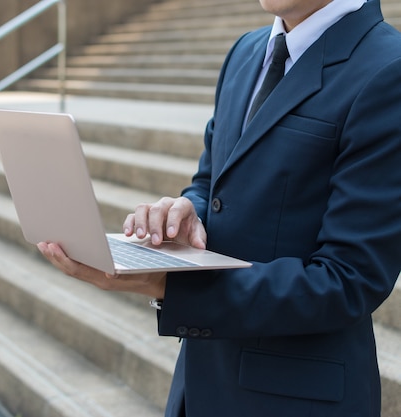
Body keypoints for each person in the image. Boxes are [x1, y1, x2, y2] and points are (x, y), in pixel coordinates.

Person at [38, 0, 401, 415]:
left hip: (296, 398)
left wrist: (170, 286)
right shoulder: (246, 52)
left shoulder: (389, 69)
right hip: (202, 383)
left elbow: (349, 280)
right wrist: (184, 214)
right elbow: (212, 183)